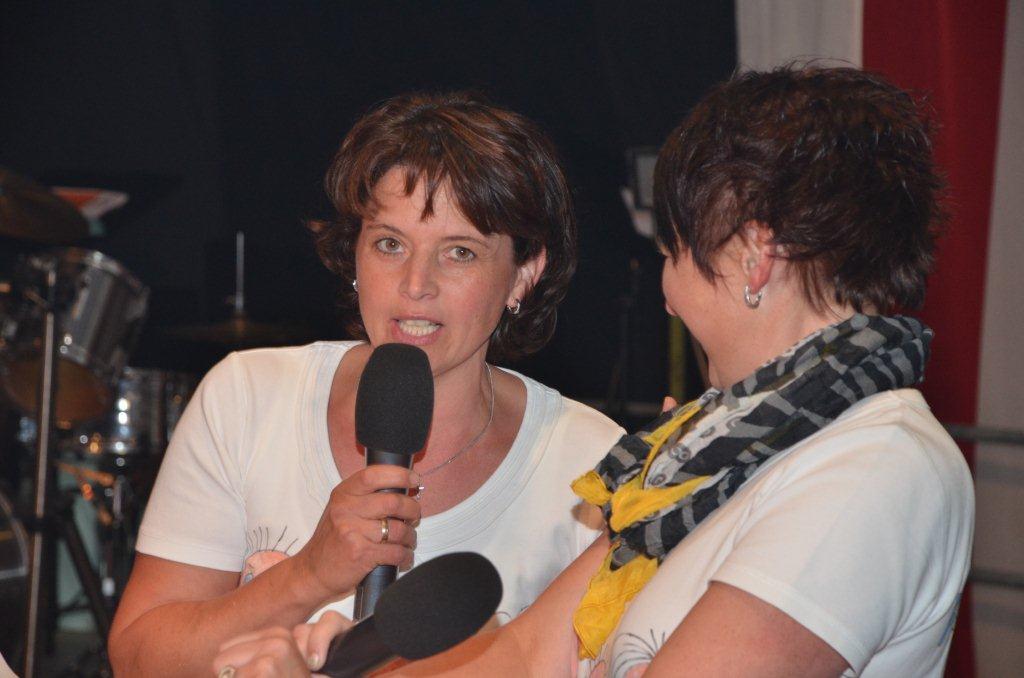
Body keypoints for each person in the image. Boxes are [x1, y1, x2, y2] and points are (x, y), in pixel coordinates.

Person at [217, 66, 974, 677]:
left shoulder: (873, 464)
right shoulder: (726, 450)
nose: (669, 296)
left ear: (753, 258)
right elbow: (527, 657)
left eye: (674, 253)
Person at [106, 92, 625, 676]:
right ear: (354, 254)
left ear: (524, 273)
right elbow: (138, 660)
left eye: (459, 252)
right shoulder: (247, 397)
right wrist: (307, 575)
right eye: (390, 244)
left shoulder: (590, 462)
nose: (415, 284)